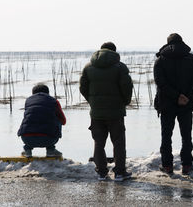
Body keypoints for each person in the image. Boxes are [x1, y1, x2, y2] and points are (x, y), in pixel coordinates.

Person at [79, 42, 133, 181]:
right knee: (119, 142)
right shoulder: (120, 67)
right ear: (114, 52)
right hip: (116, 112)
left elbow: (83, 87)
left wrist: (92, 101)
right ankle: (120, 173)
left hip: (96, 113)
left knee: (98, 142)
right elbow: (127, 87)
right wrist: (125, 102)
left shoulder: (88, 67)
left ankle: (102, 172)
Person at [153, 33, 193, 175]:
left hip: (166, 103)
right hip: (186, 103)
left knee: (166, 135)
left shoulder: (160, 60)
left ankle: (167, 166)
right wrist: (185, 96)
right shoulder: (192, 59)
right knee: (186, 135)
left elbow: (160, 83)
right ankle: (186, 165)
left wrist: (176, 96)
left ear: (167, 43)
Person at [17, 83, 66, 158]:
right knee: (58, 119)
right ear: (48, 93)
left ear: (33, 93)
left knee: (29, 119)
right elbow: (63, 121)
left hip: (27, 138)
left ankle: (27, 150)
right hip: (49, 139)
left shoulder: (28, 101)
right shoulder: (54, 101)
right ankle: (50, 149)